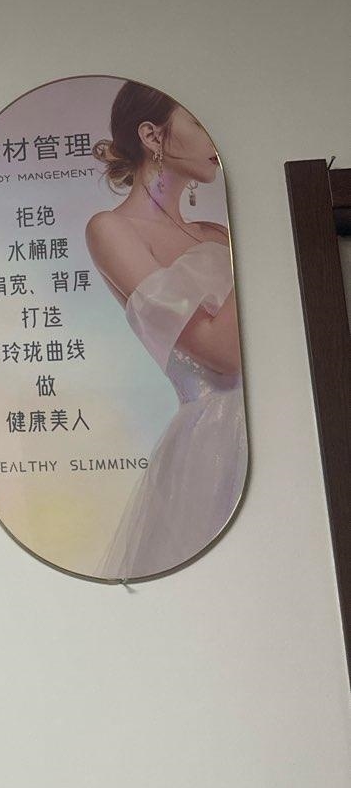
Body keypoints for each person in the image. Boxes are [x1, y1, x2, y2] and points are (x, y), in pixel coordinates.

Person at [85, 82, 246, 578]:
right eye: (198, 123)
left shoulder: (217, 234)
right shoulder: (111, 229)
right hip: (215, 434)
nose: (214, 138)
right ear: (152, 135)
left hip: (266, 423)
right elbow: (222, 352)